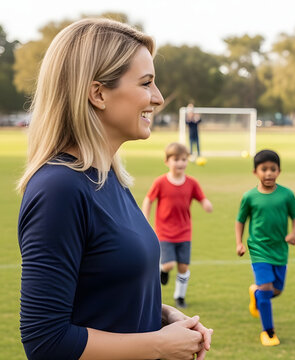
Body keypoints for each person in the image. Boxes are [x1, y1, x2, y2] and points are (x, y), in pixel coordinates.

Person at [16, 18, 212, 360]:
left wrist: (164, 316)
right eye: (146, 83)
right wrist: (158, 344)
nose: (158, 97)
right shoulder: (58, 189)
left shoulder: (109, 178)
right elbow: (46, 341)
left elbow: (105, 294)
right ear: (98, 93)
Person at [235, 149, 295, 346]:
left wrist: (294, 234)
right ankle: (268, 332)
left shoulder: (286, 195)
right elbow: (240, 221)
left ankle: (255, 293)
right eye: (264, 169)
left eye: (273, 169)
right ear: (255, 172)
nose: (269, 173)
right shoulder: (249, 197)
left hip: (280, 249)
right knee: (266, 289)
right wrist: (239, 242)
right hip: (258, 249)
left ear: (279, 171)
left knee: (277, 290)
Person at [142, 142, 213, 309]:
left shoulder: (192, 183)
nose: (180, 163)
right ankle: (163, 270)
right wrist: (145, 218)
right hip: (164, 231)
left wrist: (206, 204)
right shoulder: (160, 182)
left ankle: (179, 296)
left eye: (184, 159)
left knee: (183, 267)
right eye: (176, 159)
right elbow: (148, 200)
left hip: (184, 232)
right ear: (167, 161)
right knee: (169, 264)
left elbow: (201, 197)